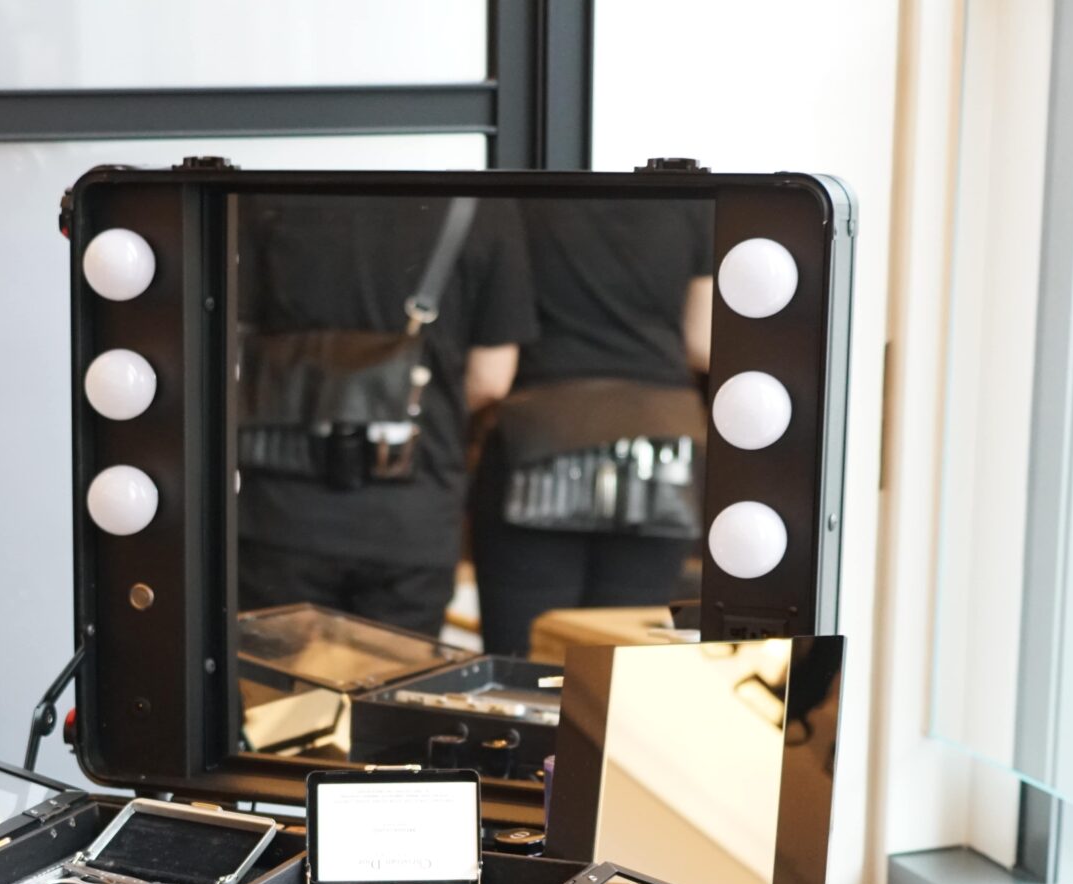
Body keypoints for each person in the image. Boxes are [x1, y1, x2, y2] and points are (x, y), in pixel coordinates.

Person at [235, 195, 535, 637]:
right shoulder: (479, 206)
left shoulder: (271, 192)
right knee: (395, 678)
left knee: (275, 679)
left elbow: (232, 341)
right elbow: (491, 378)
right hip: (412, 516)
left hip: (280, 513)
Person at [470, 198, 714, 657]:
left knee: (525, 660)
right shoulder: (691, 202)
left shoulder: (524, 202)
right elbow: (703, 341)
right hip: (661, 448)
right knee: (623, 660)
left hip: (538, 439)